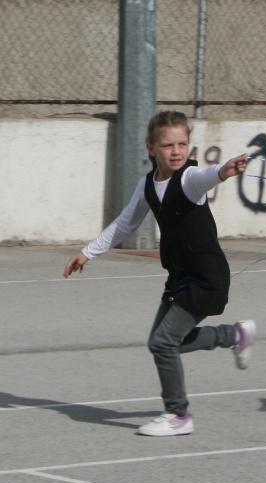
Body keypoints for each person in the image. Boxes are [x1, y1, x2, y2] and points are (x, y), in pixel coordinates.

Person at [64, 110, 256, 437]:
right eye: (168, 145)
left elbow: (209, 175)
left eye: (182, 144)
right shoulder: (148, 185)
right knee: (165, 343)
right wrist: (87, 253)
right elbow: (125, 223)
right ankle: (234, 335)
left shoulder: (190, 179)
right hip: (180, 276)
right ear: (151, 148)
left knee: (163, 342)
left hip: (206, 277)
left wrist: (224, 170)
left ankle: (178, 415)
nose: (177, 151)